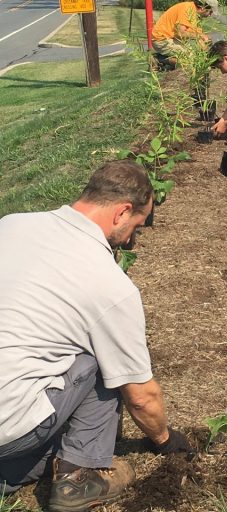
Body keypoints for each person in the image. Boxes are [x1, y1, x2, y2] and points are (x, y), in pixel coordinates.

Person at [0, 161, 192, 511]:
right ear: (122, 212)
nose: (133, 239)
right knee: (103, 358)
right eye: (137, 225)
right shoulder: (110, 285)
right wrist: (165, 440)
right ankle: (79, 479)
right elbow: (140, 396)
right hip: (7, 423)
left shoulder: (11, 225)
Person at [151, 0, 219, 67]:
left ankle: (167, 63)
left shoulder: (196, 15)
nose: (210, 15)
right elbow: (180, 33)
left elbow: (199, 39)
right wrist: (200, 36)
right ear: (203, 8)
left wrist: (207, 55)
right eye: (210, 11)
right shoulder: (187, 10)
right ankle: (158, 59)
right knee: (189, 60)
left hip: (171, 38)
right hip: (161, 40)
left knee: (196, 58)